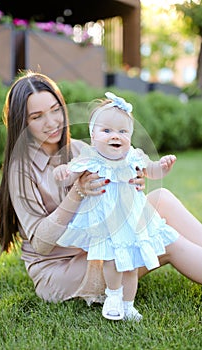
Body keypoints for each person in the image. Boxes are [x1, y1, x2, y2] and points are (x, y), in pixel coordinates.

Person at [0, 71, 202, 323]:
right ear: (22, 123)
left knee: (162, 198)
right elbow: (41, 245)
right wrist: (77, 193)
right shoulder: (21, 172)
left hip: (99, 243)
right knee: (166, 239)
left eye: (55, 110)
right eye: (37, 117)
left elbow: (116, 192)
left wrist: (133, 182)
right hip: (63, 268)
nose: (51, 122)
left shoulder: (80, 150)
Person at [53, 91, 178, 321]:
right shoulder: (91, 157)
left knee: (131, 265)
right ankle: (113, 295)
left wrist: (162, 167)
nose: (116, 136)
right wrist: (63, 172)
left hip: (132, 219)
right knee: (110, 260)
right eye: (107, 131)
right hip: (105, 221)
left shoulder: (133, 156)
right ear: (93, 136)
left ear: (130, 136)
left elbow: (150, 169)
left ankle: (128, 305)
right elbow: (72, 173)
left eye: (122, 132)